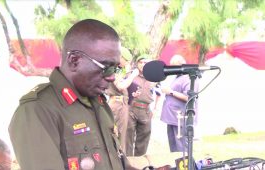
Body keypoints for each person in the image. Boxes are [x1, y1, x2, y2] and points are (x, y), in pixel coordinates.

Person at [9, 19, 131, 170]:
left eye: (115, 68)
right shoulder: (37, 111)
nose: (112, 77)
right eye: (106, 67)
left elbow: (118, 163)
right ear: (74, 60)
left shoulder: (99, 103)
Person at [160, 54, 199, 152]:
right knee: (173, 147)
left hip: (180, 119)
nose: (173, 69)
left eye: (175, 66)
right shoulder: (177, 77)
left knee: (181, 148)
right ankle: (176, 165)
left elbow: (189, 98)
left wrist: (171, 92)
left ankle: (184, 166)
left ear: (182, 65)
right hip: (172, 118)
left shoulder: (189, 78)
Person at [105, 46, 139, 153]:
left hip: (120, 102)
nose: (128, 63)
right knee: (118, 134)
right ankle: (119, 160)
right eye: (126, 60)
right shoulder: (113, 69)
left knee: (121, 134)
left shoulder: (118, 70)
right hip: (117, 105)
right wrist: (133, 75)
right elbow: (121, 86)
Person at [126, 55, 161, 156]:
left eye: (145, 63)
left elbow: (159, 93)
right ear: (137, 64)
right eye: (140, 62)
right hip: (131, 109)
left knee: (144, 137)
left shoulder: (154, 76)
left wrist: (155, 109)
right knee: (128, 137)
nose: (142, 65)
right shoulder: (130, 75)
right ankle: (128, 161)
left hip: (146, 111)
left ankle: (140, 161)